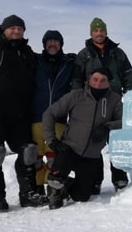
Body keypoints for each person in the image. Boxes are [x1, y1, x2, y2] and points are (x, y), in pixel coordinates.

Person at [0, 15, 48, 212]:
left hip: (20, 115)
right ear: (4, 30)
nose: (16, 31)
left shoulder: (27, 52)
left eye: (20, 29)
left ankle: (27, 194)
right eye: (12, 28)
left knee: (28, 152)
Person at [43, 68, 123, 209]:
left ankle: (66, 187)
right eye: (95, 79)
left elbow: (125, 120)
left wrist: (107, 126)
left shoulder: (114, 100)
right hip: (69, 148)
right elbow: (49, 114)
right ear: (88, 81)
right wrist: (51, 140)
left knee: (82, 196)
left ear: (109, 83)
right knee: (59, 170)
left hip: (91, 155)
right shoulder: (75, 96)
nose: (98, 83)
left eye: (103, 80)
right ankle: (55, 190)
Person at [71, 17, 132, 192]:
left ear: (106, 32)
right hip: (92, 102)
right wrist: (78, 98)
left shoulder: (118, 53)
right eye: (96, 31)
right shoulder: (84, 55)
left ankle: (120, 178)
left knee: (116, 141)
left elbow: (128, 73)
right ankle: (95, 180)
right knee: (93, 143)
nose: (99, 33)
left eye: (101, 30)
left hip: (114, 100)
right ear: (91, 33)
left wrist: (129, 92)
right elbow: (77, 78)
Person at [31, 30, 76, 195]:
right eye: (49, 41)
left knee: (53, 157)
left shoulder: (69, 62)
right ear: (44, 44)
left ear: (61, 44)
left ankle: (53, 189)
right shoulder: (35, 60)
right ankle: (37, 189)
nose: (52, 44)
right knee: (35, 158)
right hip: (36, 116)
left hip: (58, 118)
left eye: (56, 41)